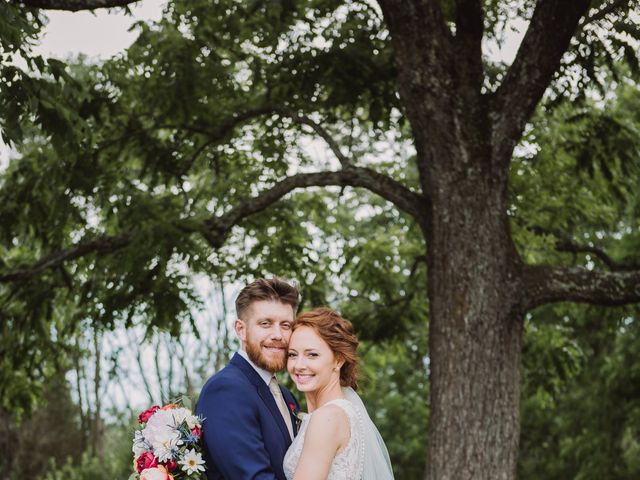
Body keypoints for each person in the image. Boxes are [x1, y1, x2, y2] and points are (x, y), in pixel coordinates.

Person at [196, 277, 302, 480]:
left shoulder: (287, 397)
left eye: (286, 325)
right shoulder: (226, 390)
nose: (278, 335)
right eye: (265, 323)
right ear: (241, 330)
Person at [283, 307, 394, 480]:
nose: (299, 365)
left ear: (338, 360)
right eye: (292, 354)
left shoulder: (327, 418)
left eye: (312, 354)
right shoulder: (345, 411)